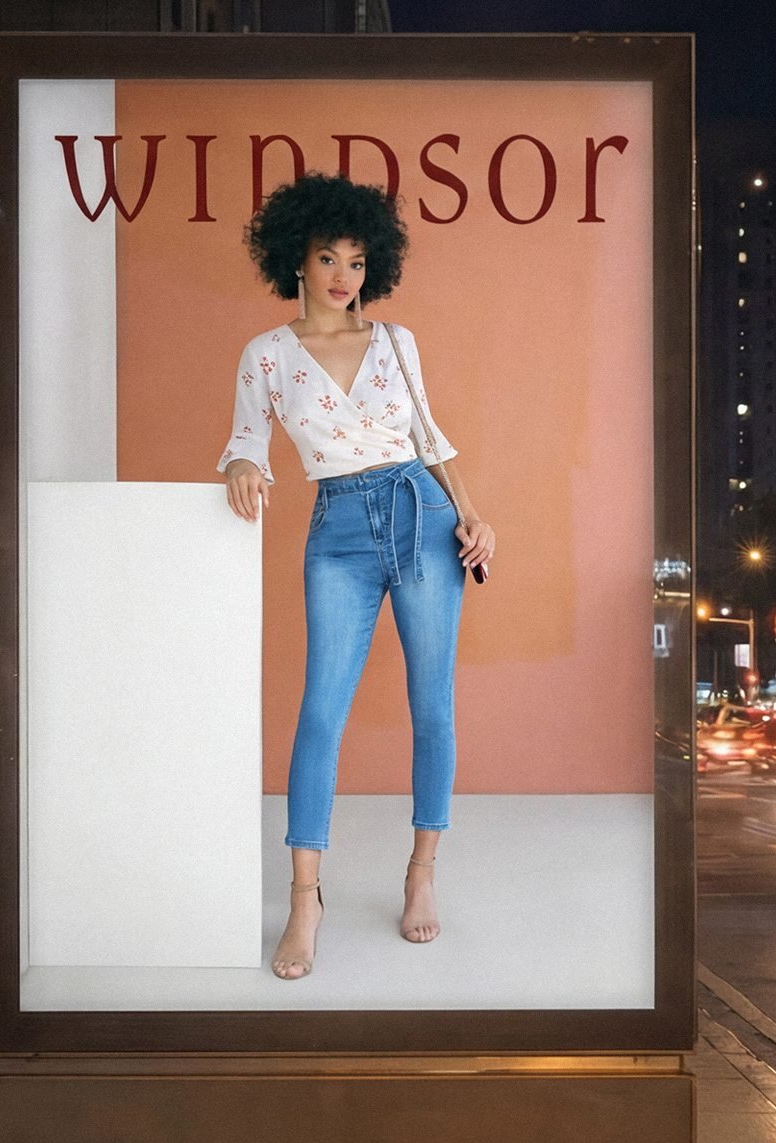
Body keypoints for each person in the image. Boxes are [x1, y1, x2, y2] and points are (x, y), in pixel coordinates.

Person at [218, 173, 495, 980]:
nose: (344, 275)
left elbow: (431, 438)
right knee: (319, 713)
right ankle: (306, 899)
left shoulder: (395, 342)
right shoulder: (266, 355)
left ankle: (420, 875)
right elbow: (244, 439)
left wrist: (473, 516)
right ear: (295, 262)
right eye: (327, 257)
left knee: (431, 706)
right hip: (336, 527)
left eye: (357, 259)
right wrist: (242, 465)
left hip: (421, 516)